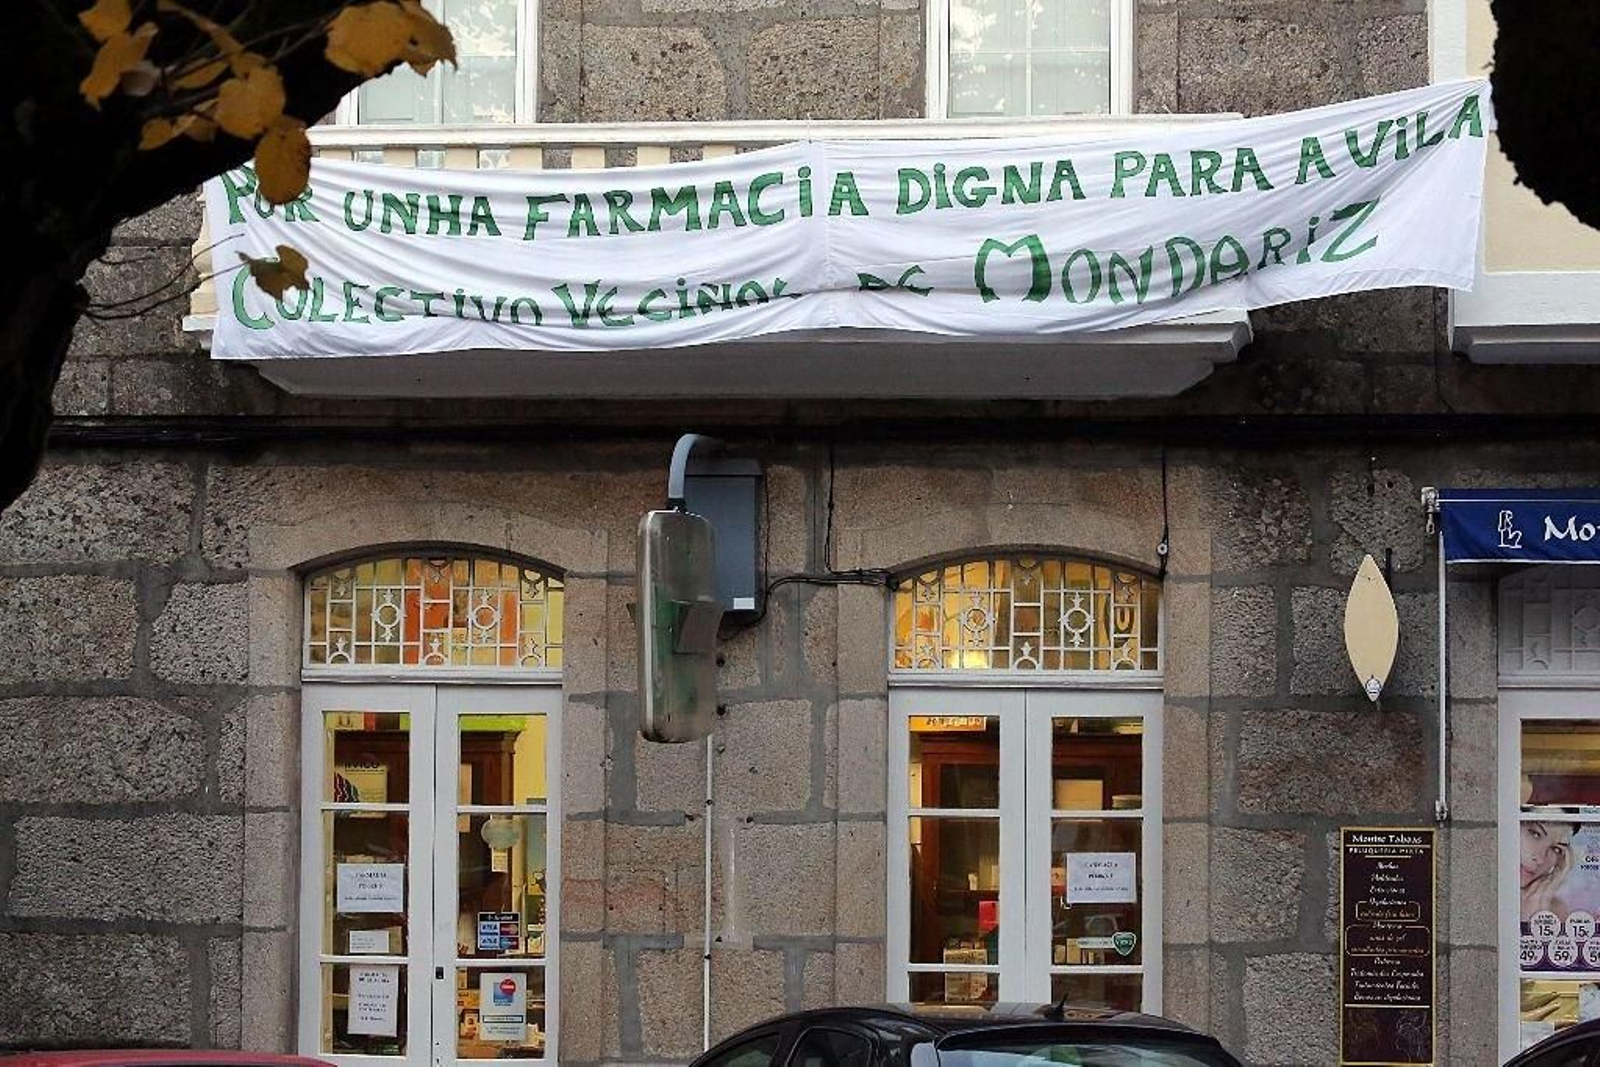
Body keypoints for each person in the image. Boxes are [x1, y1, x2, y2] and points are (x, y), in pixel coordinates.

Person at [1522, 820, 1580, 924]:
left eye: (1556, 849)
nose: (1540, 859)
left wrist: (1536, 915)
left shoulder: (1555, 910)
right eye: (1535, 834)